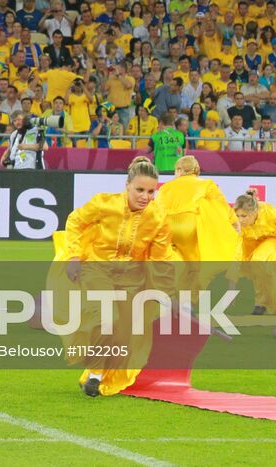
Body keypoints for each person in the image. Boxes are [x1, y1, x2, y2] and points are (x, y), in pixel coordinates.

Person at [53, 156, 173, 396]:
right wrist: (74, 257)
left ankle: (97, 375)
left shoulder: (159, 219)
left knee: (122, 334)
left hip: (132, 279)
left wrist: (165, 292)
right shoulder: (103, 204)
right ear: (127, 185)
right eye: (139, 189)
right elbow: (75, 222)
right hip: (97, 269)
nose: (145, 197)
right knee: (105, 317)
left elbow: (160, 259)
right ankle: (96, 375)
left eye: (151, 192)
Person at [155, 155, 240, 291]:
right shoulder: (207, 184)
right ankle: (191, 299)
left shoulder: (165, 187)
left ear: (179, 170)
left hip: (167, 228)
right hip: (190, 225)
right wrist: (234, 223)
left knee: (174, 261)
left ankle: (170, 295)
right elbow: (221, 206)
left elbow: (156, 211)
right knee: (195, 266)